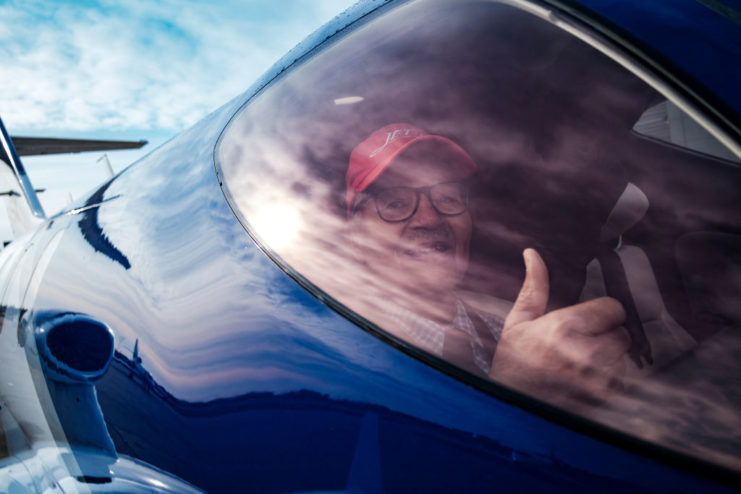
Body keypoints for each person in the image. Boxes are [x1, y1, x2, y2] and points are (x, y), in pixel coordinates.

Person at [346, 123, 631, 407]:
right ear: (357, 235)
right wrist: (519, 393)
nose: (430, 219)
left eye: (447, 197)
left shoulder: (512, 332)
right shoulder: (337, 354)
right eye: (395, 203)